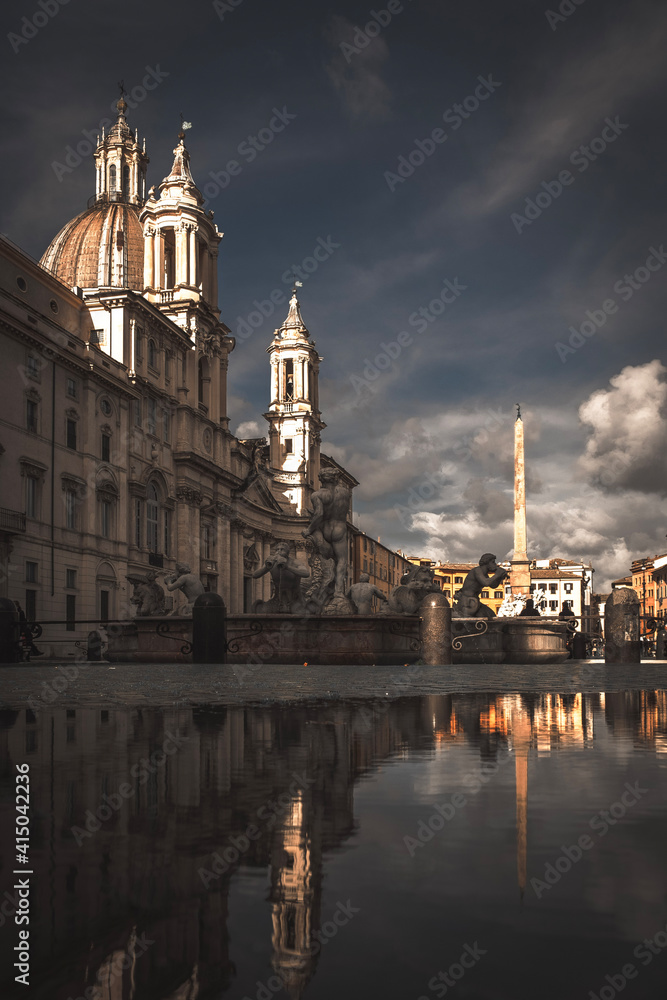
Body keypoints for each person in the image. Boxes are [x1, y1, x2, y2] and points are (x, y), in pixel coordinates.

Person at [302, 468, 351, 599]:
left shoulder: (317, 495)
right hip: (339, 528)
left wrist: (309, 530)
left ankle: (322, 589)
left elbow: (319, 514)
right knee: (341, 560)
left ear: (321, 479)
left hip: (324, 528)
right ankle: (338, 591)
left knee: (322, 558)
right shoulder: (345, 493)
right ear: (335, 479)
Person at [252, 541, 309, 613]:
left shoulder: (295, 562)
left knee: (300, 613)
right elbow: (255, 575)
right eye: (277, 549)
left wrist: (287, 567)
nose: (279, 551)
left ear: (287, 552)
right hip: (277, 600)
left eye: (282, 549)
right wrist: (266, 567)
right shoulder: (272, 563)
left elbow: (306, 573)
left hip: (295, 599)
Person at [453, 554, 508, 618]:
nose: (495, 564)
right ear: (486, 562)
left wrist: (500, 577)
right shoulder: (477, 570)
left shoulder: (484, 574)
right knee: (476, 619)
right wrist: (497, 574)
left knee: (491, 615)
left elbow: (493, 585)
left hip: (473, 601)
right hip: (468, 601)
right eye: (493, 562)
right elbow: (486, 582)